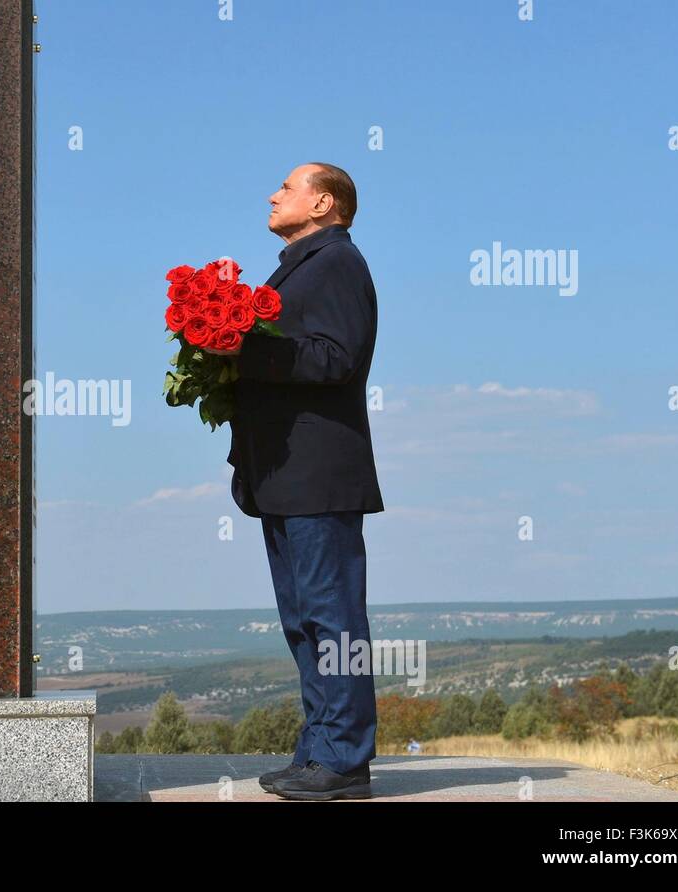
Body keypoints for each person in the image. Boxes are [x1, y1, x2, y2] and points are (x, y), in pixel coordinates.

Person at [209, 163, 384, 801]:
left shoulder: (336, 261)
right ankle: (318, 752)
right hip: (284, 475)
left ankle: (345, 760)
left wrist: (242, 349)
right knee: (303, 621)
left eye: (286, 187)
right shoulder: (300, 264)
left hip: (319, 473)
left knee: (333, 619)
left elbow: (337, 357)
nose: (272, 194)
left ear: (322, 201)